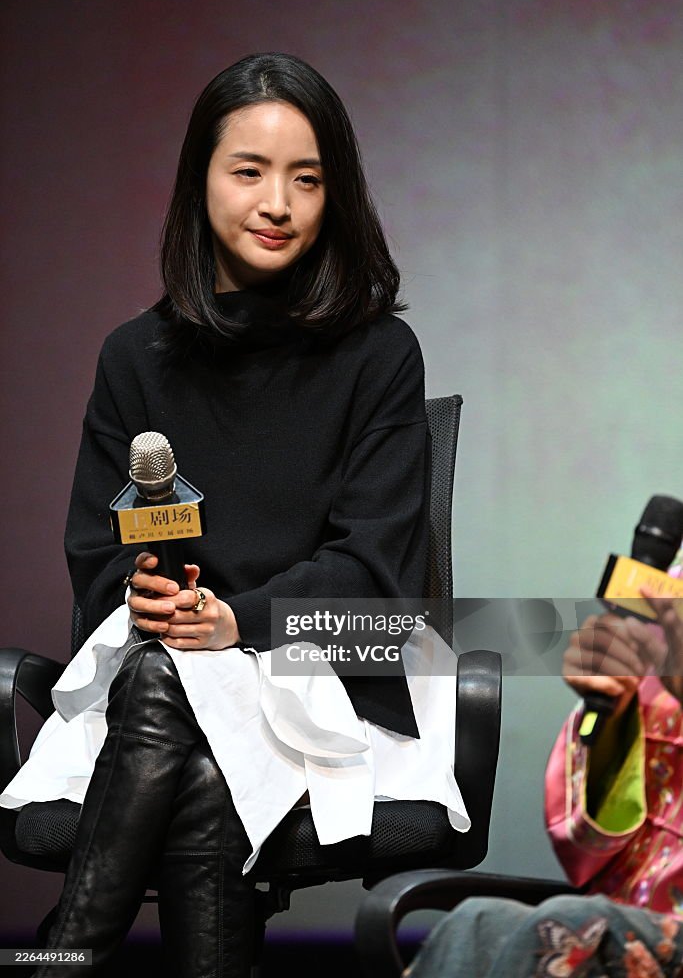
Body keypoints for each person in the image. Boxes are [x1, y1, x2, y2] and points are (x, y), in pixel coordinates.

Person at [0, 53, 468, 977]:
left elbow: (377, 585)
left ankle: (70, 947)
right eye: (248, 171)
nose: (277, 202)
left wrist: (231, 623)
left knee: (181, 698)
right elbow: (96, 560)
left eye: (306, 177)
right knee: (191, 727)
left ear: (336, 193)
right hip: (161, 679)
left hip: (323, 667)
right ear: (200, 181)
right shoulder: (134, 356)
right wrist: (145, 602)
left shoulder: (379, 354)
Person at [405, 574, 683, 978]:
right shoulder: (669, 594)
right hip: (623, 910)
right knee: (478, 923)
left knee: (568, 927)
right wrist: (612, 707)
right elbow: (592, 842)